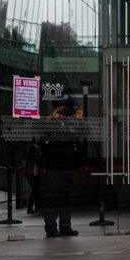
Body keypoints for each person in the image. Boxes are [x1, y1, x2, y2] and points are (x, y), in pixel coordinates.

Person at [39, 94, 85, 237]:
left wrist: (80, 119)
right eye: (62, 107)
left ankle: (65, 227)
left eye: (67, 108)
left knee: (66, 198)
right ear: (56, 108)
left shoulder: (74, 123)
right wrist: (55, 118)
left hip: (68, 166)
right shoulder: (50, 122)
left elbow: (86, 134)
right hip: (53, 167)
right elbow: (42, 138)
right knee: (52, 198)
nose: (65, 111)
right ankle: (52, 228)